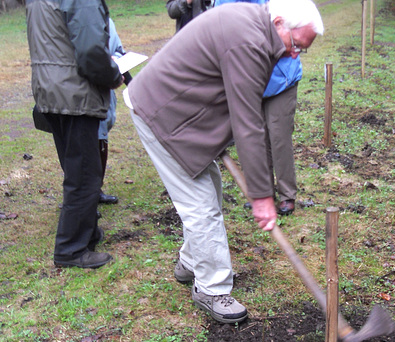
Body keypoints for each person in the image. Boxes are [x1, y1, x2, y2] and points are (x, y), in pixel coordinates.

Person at [124, 0, 324, 323]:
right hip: (161, 113)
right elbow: (248, 124)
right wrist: (262, 197)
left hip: (182, 114)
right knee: (201, 204)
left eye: (303, 50)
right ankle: (212, 289)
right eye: (295, 45)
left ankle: (191, 262)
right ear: (279, 24)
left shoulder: (255, 29)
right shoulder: (249, 42)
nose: (294, 55)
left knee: (209, 186)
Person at [26, 0, 123, 269]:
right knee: (85, 174)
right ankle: (71, 249)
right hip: (74, 94)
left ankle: (87, 232)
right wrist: (113, 75)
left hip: (51, 88)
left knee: (76, 167)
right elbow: (92, 51)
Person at [215, 0, 301, 216]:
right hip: (251, 81)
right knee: (257, 138)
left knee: (279, 137)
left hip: (281, 79)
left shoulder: (272, 6)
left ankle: (286, 195)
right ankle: (264, 194)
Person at [98, 18, 131, 205]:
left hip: (105, 93)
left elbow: (119, 50)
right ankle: (81, 193)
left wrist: (116, 60)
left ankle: (96, 188)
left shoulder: (107, 20)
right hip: (83, 92)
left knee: (102, 138)